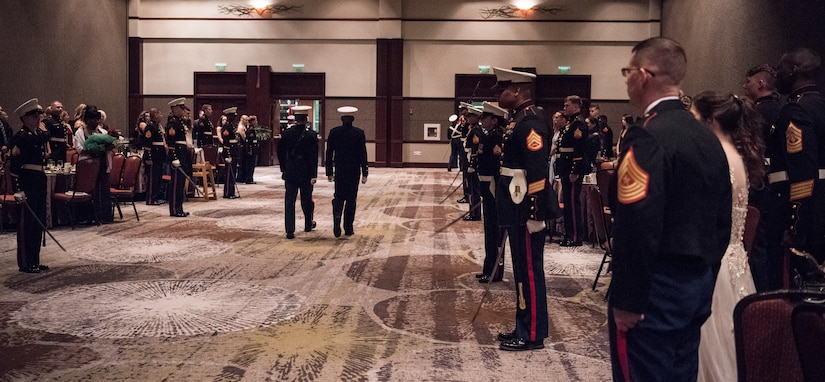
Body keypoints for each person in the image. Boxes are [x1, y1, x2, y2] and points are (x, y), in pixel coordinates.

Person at [608, 37, 732, 381]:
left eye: (627, 72)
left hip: (654, 288)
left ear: (643, 75)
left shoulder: (647, 135)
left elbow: (636, 223)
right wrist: (706, 276)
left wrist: (628, 299)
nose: (627, 79)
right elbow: (722, 220)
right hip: (695, 284)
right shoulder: (706, 136)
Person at [690, 91, 765, 382]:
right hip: (736, 260)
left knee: (713, 342)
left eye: (694, 118)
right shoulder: (736, 154)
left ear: (710, 121)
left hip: (718, 259)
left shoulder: (717, 156)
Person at [492, 67, 555, 351]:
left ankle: (531, 333)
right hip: (514, 206)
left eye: (502, 89)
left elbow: (538, 170)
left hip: (524, 209)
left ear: (517, 90)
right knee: (521, 270)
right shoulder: (517, 118)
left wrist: (534, 213)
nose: (498, 94)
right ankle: (523, 324)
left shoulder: (529, 121)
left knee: (529, 271)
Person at [777, 48, 825, 265]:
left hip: (812, 217)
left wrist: (795, 226)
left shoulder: (796, 110)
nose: (778, 74)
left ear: (793, 71)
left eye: (781, 69)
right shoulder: (819, 105)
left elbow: (802, 173)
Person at [9, 98, 50, 273]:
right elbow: (14, 165)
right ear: (25, 118)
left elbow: (46, 138)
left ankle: (35, 259)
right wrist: (18, 189)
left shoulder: (37, 135)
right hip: (27, 182)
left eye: (38, 115)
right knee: (27, 223)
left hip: (39, 181)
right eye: (34, 116)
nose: (37, 119)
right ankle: (26, 262)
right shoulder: (21, 137)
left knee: (38, 222)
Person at [475, 101, 506, 283]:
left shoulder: (496, 137)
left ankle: (494, 270)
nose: (482, 120)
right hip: (488, 188)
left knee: (494, 231)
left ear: (494, 120)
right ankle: (489, 267)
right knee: (490, 230)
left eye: (485, 117)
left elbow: (495, 167)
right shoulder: (490, 135)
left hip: (494, 188)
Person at [325, 106, 368, 237]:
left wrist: (329, 172)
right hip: (354, 170)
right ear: (353, 120)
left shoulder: (334, 132)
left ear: (341, 119)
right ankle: (348, 227)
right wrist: (365, 172)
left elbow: (329, 153)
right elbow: (363, 154)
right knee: (351, 199)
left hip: (340, 169)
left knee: (338, 196)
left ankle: (337, 217)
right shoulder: (359, 133)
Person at [278, 106, 318, 239]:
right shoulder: (311, 135)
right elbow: (313, 157)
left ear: (295, 119)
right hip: (306, 170)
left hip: (291, 169)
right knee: (306, 199)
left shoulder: (286, 134)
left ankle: (290, 230)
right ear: (306, 119)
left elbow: (280, 152)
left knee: (289, 200)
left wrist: (284, 167)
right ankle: (307, 224)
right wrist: (314, 174)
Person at [556, 95, 589, 247]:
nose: (564, 108)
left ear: (576, 107)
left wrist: (575, 170)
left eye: (567, 105)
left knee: (573, 204)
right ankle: (569, 234)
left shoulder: (578, 125)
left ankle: (575, 237)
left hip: (572, 170)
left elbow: (579, 150)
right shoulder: (570, 124)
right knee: (568, 203)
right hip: (565, 168)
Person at [165, 97, 191, 217]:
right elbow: (171, 143)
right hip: (177, 157)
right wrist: (174, 158)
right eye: (181, 108)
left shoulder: (179, 122)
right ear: (175, 109)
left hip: (182, 155)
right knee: (176, 185)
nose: (183, 111)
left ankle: (179, 208)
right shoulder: (172, 123)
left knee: (180, 185)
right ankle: (175, 210)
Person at [140, 108, 167, 205]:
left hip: (158, 157)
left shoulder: (156, 126)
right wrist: (149, 158)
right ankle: (151, 199)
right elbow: (147, 144)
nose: (161, 115)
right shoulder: (150, 127)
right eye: (160, 113)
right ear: (155, 115)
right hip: (153, 157)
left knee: (157, 178)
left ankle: (155, 197)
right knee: (152, 179)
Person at [463, 105, 483, 221]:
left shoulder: (476, 131)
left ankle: (475, 213)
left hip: (473, 165)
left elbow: (475, 149)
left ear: (476, 117)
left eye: (470, 116)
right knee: (470, 188)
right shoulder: (473, 128)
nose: (468, 119)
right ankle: (472, 212)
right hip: (469, 160)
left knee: (474, 190)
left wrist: (472, 165)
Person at [217, 107, 239, 199]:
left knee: (232, 171)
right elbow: (226, 141)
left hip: (233, 151)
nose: (234, 118)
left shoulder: (231, 125)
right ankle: (227, 193)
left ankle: (231, 192)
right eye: (232, 116)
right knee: (229, 173)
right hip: (229, 151)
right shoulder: (226, 126)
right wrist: (228, 155)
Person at [44, 101, 69, 166]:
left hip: (62, 148)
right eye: (58, 107)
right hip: (54, 148)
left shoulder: (60, 121)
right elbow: (47, 137)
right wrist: (48, 149)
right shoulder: (48, 121)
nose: (60, 109)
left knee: (62, 165)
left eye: (61, 107)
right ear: (52, 108)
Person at [242, 115, 260, 184]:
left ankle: (250, 178)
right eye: (255, 121)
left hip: (252, 150)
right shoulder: (251, 130)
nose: (256, 122)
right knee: (250, 165)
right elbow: (249, 142)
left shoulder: (250, 129)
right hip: (251, 151)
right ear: (252, 122)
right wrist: (250, 150)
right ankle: (248, 179)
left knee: (251, 165)